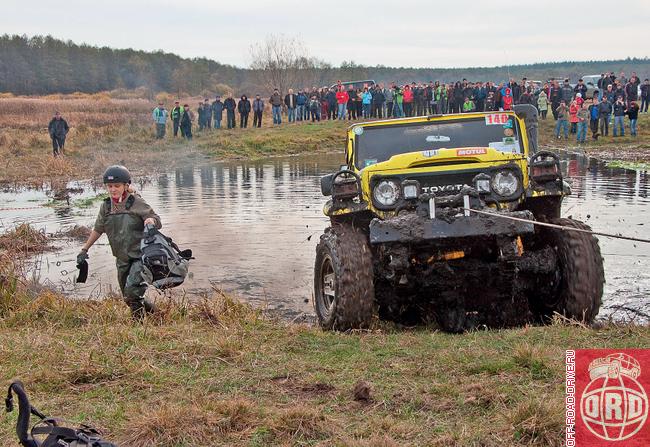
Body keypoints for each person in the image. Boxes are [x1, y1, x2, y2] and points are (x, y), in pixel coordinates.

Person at [77, 165, 162, 319]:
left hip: (140, 256)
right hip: (122, 258)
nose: (113, 189)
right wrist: (84, 250)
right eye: (110, 186)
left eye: (117, 186)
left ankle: (138, 327)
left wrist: (150, 220)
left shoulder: (136, 202)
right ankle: (157, 315)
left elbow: (157, 220)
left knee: (133, 291)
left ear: (126, 185)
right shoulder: (106, 206)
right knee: (128, 297)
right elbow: (98, 229)